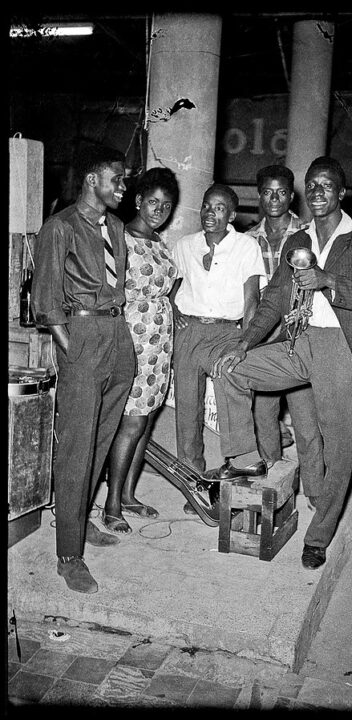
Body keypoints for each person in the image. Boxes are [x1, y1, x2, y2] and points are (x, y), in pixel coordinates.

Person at [204, 156, 352, 570]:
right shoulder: (299, 241)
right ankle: (244, 460)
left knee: (339, 450)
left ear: (341, 192)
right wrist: (246, 342)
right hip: (300, 342)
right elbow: (274, 298)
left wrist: (330, 282)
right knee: (232, 369)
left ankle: (319, 535)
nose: (317, 191)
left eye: (327, 185)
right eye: (312, 185)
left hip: (344, 349)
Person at [31, 144, 136, 594]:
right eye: (118, 179)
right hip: (84, 337)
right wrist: (71, 348)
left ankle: (78, 522)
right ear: (93, 180)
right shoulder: (59, 228)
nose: (123, 186)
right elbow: (46, 301)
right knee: (76, 447)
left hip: (118, 338)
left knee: (100, 438)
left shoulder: (114, 225)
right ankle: (68, 555)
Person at [170, 183, 267, 485]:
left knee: (229, 376)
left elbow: (252, 300)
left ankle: (242, 462)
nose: (210, 213)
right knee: (187, 409)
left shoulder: (246, 246)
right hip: (188, 330)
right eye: (206, 206)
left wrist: (245, 341)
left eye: (219, 208)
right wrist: (173, 311)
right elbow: (171, 288)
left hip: (226, 331)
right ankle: (193, 480)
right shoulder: (185, 244)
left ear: (232, 215)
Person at [101, 167, 179, 534]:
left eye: (166, 204)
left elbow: (168, 290)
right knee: (130, 422)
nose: (159, 209)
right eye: (152, 202)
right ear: (137, 201)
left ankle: (129, 496)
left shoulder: (160, 242)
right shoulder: (120, 236)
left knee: (145, 419)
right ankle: (111, 504)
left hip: (159, 344)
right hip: (132, 339)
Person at [247, 164, 324, 484]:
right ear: (260, 196)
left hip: (296, 334)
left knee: (306, 421)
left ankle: (316, 492)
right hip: (264, 334)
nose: (275, 198)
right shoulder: (248, 238)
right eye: (268, 192)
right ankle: (274, 484)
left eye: (281, 192)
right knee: (264, 417)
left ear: (292, 196)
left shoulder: (308, 232)